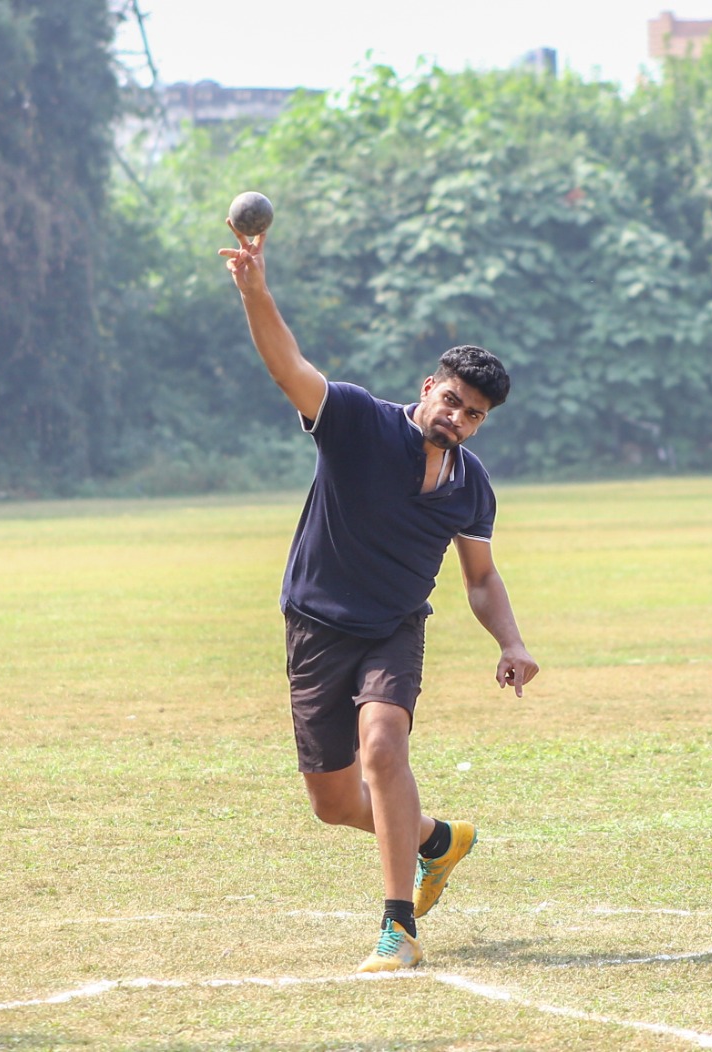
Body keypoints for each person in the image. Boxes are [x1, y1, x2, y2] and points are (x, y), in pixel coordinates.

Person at [220, 219, 539, 973]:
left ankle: (398, 928)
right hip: (316, 625)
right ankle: (436, 840)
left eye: (474, 414)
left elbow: (481, 578)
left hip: (394, 628)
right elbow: (288, 368)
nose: (458, 418)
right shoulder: (358, 421)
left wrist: (511, 641)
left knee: (383, 749)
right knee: (333, 804)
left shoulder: (470, 485)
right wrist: (255, 291)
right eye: (452, 400)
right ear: (429, 387)